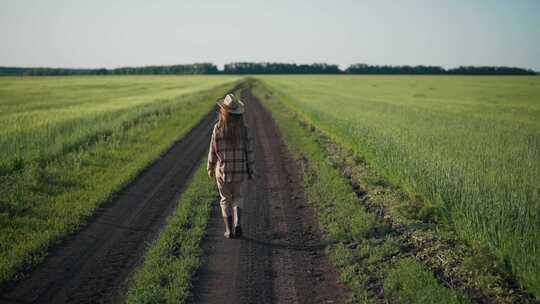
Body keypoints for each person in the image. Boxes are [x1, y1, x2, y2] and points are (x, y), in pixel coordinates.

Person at [207, 93, 254, 238]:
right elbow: (249, 151)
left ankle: (229, 230)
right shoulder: (244, 129)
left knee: (225, 199)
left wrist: (210, 166)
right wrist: (250, 169)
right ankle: (238, 223)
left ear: (223, 111)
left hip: (222, 171)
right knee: (238, 197)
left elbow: (213, 150)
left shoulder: (218, 128)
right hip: (239, 171)